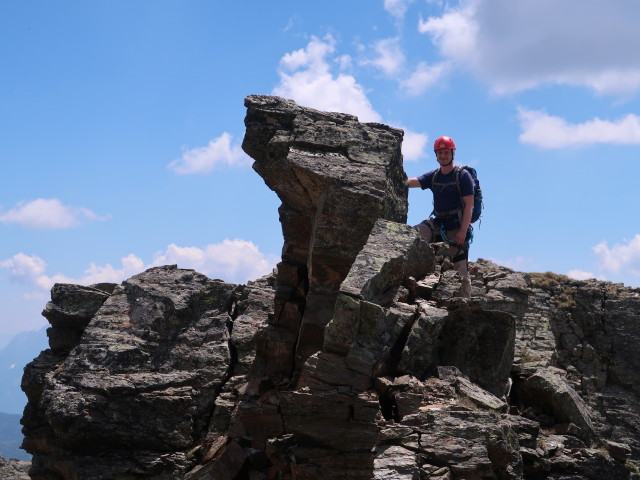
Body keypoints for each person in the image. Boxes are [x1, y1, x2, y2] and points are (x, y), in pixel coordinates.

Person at [406, 136, 474, 298]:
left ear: (452, 153)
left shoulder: (462, 176)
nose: (443, 156)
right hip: (437, 224)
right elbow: (414, 182)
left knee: (460, 268)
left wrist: (463, 231)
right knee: (413, 236)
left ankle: (464, 301)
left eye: (446, 152)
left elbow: (469, 205)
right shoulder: (434, 176)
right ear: (436, 155)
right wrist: (395, 178)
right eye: (440, 153)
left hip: (457, 227)